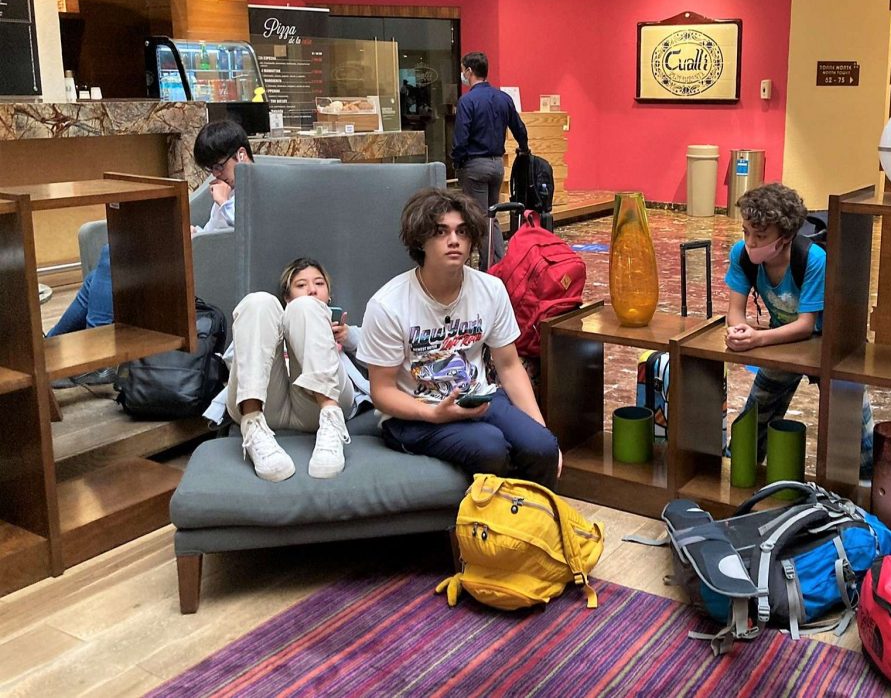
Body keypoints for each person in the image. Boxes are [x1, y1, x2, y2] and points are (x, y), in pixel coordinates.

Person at [357, 187, 561, 488]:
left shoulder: (490, 289)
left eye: (462, 232)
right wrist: (432, 414)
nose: (454, 240)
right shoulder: (388, 305)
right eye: (441, 232)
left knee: (542, 446)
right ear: (421, 240)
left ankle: (535, 527)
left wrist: (542, 432)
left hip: (478, 398)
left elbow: (508, 366)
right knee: (490, 447)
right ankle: (495, 527)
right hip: (414, 414)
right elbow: (382, 391)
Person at [49, 119, 252, 386]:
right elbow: (214, 230)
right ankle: (50, 349)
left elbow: (250, 227)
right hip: (200, 252)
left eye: (218, 166)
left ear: (240, 154)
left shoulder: (257, 185)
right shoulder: (231, 188)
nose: (215, 175)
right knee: (108, 262)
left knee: (114, 257)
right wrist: (196, 232)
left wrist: (223, 203)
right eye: (210, 169)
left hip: (208, 263)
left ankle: (98, 359)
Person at [725, 182, 873, 479]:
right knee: (757, 412)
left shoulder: (813, 259)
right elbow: (735, 311)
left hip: (830, 343)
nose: (751, 242)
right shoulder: (741, 254)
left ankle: (867, 482)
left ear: (786, 236)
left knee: (855, 424)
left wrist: (757, 338)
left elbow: (806, 326)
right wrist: (738, 329)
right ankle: (737, 471)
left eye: (761, 236)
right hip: (783, 338)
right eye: (746, 232)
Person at [226, 257, 361, 482]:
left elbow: (378, 354)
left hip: (315, 408)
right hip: (265, 404)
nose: (311, 290)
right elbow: (235, 359)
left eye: (319, 284)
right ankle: (252, 426)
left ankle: (331, 421)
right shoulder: (264, 320)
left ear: (329, 295)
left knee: (306, 308)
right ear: (287, 296)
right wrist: (279, 336)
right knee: (258, 301)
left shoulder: (344, 331)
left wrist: (348, 338)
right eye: (301, 285)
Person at [450, 51, 529, 267]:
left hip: (475, 166)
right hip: (497, 165)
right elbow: (519, 129)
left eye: (463, 69)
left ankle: (488, 269)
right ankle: (499, 265)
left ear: (470, 71)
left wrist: (457, 162)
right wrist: (524, 149)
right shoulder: (503, 98)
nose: (462, 73)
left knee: (481, 219)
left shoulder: (467, 101)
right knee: (492, 216)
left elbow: (461, 138)